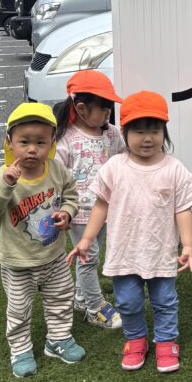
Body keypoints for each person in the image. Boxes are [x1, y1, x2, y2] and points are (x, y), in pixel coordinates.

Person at [67, 91, 192, 374]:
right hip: (124, 253)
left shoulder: (174, 168)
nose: (147, 138)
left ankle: (166, 341)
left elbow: (183, 209)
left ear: (164, 132)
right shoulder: (114, 167)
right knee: (127, 302)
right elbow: (101, 205)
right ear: (125, 132)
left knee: (165, 301)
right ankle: (136, 339)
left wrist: (188, 245)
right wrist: (87, 239)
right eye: (139, 131)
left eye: (154, 130)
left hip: (161, 252)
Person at [0, 102, 85, 378]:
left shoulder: (57, 170)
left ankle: (58, 339)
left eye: (41, 142)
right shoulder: (2, 176)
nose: (32, 149)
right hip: (17, 262)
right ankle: (21, 349)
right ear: (9, 142)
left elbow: (71, 195)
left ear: (52, 143)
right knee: (19, 309)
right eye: (24, 142)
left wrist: (67, 212)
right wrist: (6, 185)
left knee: (61, 298)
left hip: (54, 256)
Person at [54, 69, 125, 330]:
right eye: (103, 108)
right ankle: (95, 308)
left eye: (109, 107)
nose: (108, 112)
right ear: (81, 108)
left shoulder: (112, 134)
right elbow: (56, 179)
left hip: (107, 209)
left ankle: (81, 298)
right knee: (89, 258)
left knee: (94, 254)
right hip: (80, 212)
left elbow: (124, 160)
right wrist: (61, 211)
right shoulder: (66, 140)